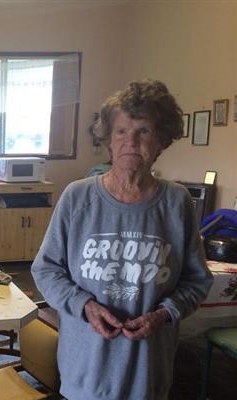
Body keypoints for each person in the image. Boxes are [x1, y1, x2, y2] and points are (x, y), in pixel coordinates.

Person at [32, 79, 213, 400]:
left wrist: (165, 313)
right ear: (109, 140)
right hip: (85, 373)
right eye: (121, 131)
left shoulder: (176, 202)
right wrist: (84, 305)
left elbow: (197, 280)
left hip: (148, 375)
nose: (131, 141)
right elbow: (45, 270)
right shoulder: (77, 197)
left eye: (143, 131)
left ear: (162, 141)